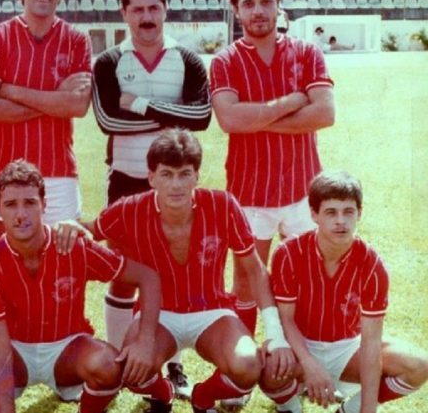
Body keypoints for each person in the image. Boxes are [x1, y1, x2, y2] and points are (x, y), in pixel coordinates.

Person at [63, 128, 295, 413]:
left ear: (197, 175)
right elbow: (89, 232)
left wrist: (274, 332)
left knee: (248, 365)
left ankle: (203, 396)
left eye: (185, 174)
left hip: (211, 310)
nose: (176, 185)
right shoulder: (130, 209)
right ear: (151, 178)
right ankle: (164, 391)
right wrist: (66, 228)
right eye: (166, 174)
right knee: (131, 371)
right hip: (158, 315)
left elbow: (255, 270)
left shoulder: (222, 205)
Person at [0, 160, 162, 413]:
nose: (20, 214)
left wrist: (145, 340)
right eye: (10, 205)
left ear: (44, 204)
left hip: (67, 351)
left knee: (106, 365)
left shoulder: (72, 246)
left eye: (30, 203)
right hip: (16, 352)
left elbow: (147, 277)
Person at [91, 0, 212, 398]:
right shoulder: (107, 61)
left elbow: (202, 117)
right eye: (137, 9)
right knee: (126, 273)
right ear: (124, 13)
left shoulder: (188, 58)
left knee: (173, 272)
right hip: (125, 178)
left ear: (165, 9)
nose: (146, 17)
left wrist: (140, 103)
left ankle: (173, 365)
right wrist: (172, 113)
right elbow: (108, 120)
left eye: (153, 8)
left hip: (174, 181)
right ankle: (118, 356)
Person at [209, 0, 335, 369]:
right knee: (246, 280)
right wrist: (290, 102)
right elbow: (230, 121)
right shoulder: (226, 61)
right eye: (248, 3)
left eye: (266, 1)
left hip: (303, 189)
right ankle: (245, 364)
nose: (258, 10)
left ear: (279, 6)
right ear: (236, 10)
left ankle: (307, 360)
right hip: (249, 190)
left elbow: (326, 113)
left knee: (310, 276)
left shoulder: (306, 52)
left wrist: (256, 119)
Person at [261, 171, 428, 413]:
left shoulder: (372, 264)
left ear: (359, 213)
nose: (341, 221)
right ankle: (289, 407)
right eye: (331, 212)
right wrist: (310, 365)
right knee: (266, 366)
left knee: (419, 365)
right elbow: (286, 319)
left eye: (348, 212)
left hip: (348, 348)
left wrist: (367, 408)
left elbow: (370, 342)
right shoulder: (289, 252)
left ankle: (349, 410)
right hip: (301, 345)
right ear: (314, 215)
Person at [0, 0, 92, 245]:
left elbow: (77, 106)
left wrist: (10, 90)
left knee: (64, 266)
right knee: (6, 266)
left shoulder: (77, 39)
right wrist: (56, 101)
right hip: (4, 172)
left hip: (59, 173)